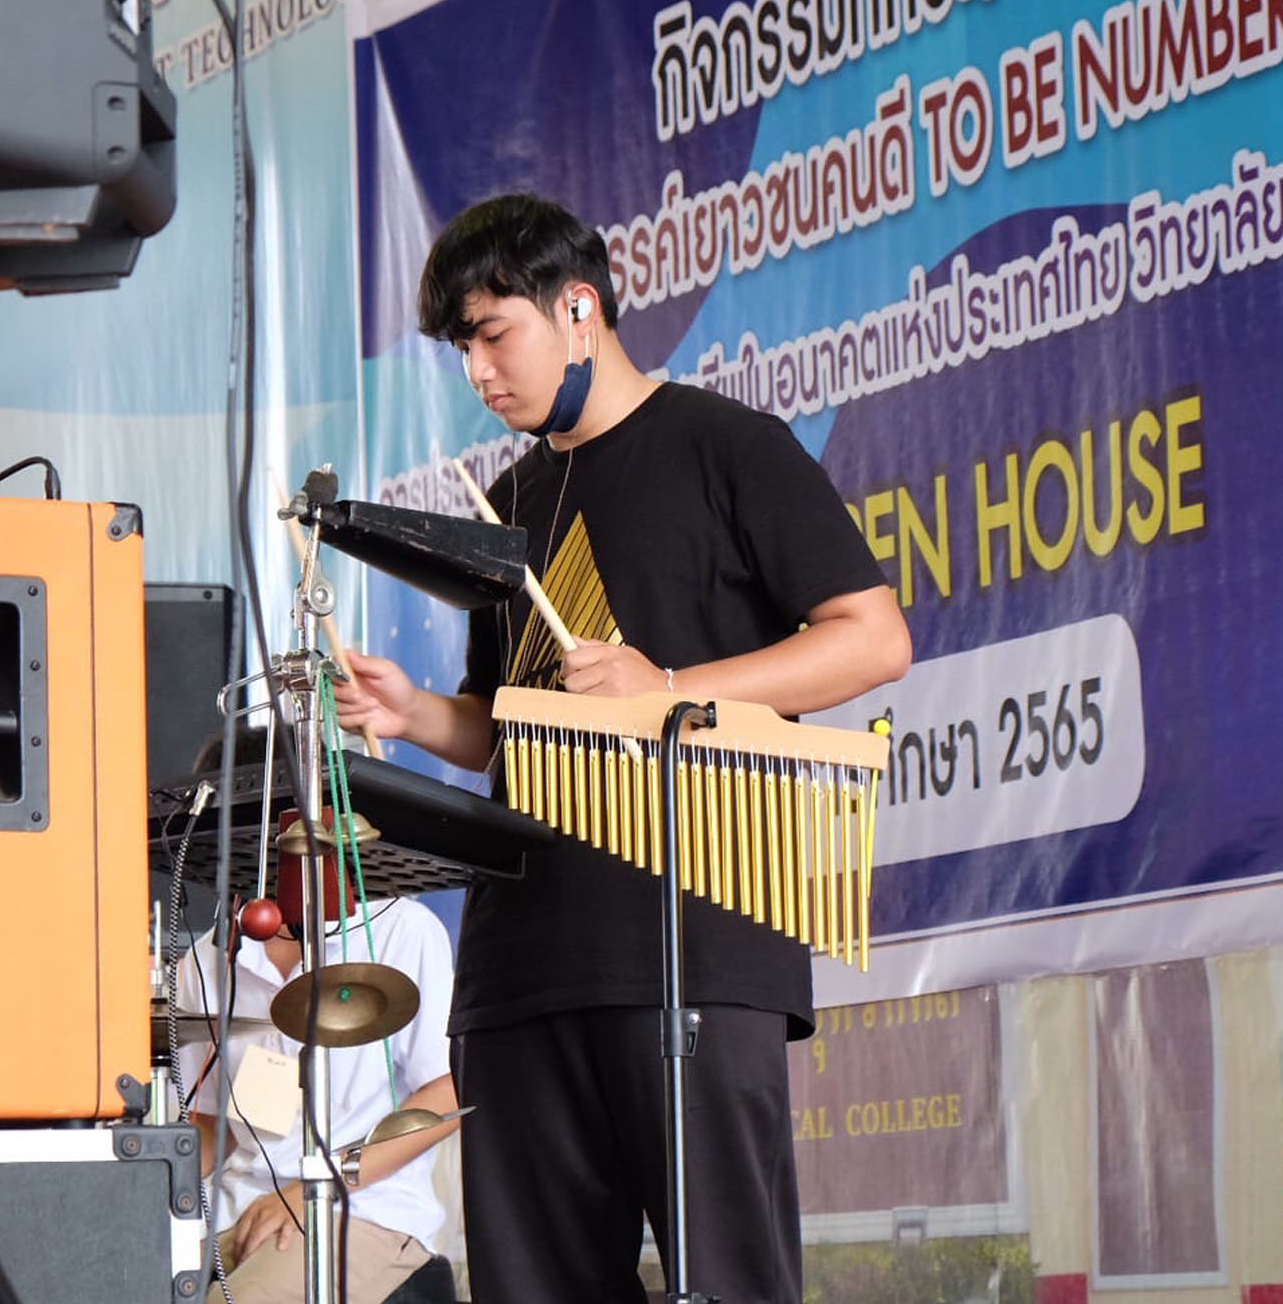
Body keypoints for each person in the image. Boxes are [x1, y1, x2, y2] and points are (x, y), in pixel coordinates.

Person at [334, 193, 911, 1304]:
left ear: (580, 308)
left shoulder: (727, 448)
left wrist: (669, 688)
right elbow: (512, 720)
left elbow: (871, 638)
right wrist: (414, 717)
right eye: (462, 350)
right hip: (519, 966)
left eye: (494, 334)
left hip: (687, 937)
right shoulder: (510, 502)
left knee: (724, 1282)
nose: (480, 375)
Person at [177, 893, 458, 1304]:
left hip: (361, 1209)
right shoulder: (211, 955)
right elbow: (214, 1126)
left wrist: (317, 1185)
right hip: (235, 1211)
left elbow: (448, 1091)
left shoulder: (402, 928)